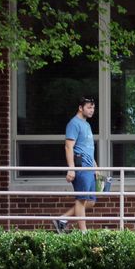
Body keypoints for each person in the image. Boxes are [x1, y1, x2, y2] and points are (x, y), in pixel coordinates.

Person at [54, 97, 98, 233]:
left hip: (90, 167)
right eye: (89, 107)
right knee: (81, 199)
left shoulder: (87, 124)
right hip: (81, 167)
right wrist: (71, 169)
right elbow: (68, 147)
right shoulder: (74, 124)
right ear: (80, 108)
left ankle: (62, 219)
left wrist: (96, 166)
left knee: (90, 201)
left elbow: (88, 147)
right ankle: (84, 232)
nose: (92, 110)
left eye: (93, 108)